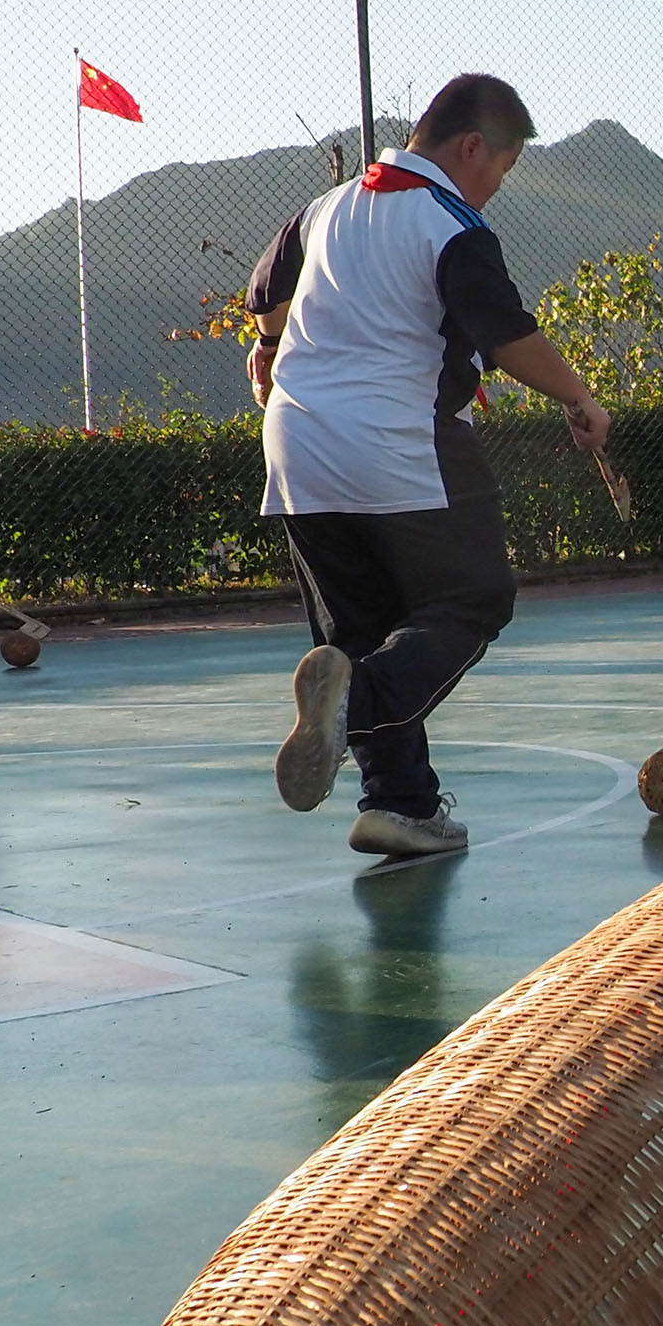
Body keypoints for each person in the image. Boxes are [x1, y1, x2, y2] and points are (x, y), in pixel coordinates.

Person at [250, 74, 611, 860]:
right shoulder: (449, 221)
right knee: (473, 599)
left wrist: (272, 344)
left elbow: (265, 291)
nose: (496, 189)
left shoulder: (327, 208)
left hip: (299, 446)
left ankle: (400, 804)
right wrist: (580, 398)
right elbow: (507, 336)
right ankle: (356, 712)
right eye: (502, 169)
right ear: (472, 147)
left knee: (361, 631)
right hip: (402, 434)